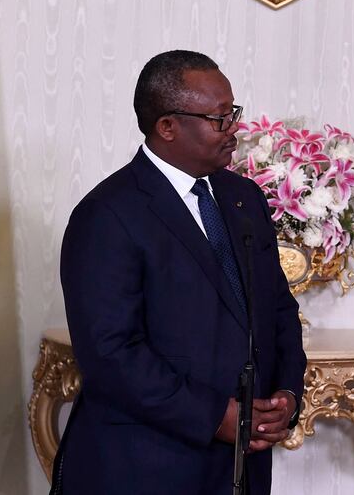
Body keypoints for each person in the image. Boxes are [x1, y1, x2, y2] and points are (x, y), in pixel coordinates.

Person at [52, 50, 306, 494]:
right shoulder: (107, 214)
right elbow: (110, 352)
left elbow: (278, 310)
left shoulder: (243, 197)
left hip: (240, 467)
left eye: (234, 113)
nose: (234, 129)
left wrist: (286, 394)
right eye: (219, 118)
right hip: (146, 465)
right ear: (167, 126)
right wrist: (212, 417)